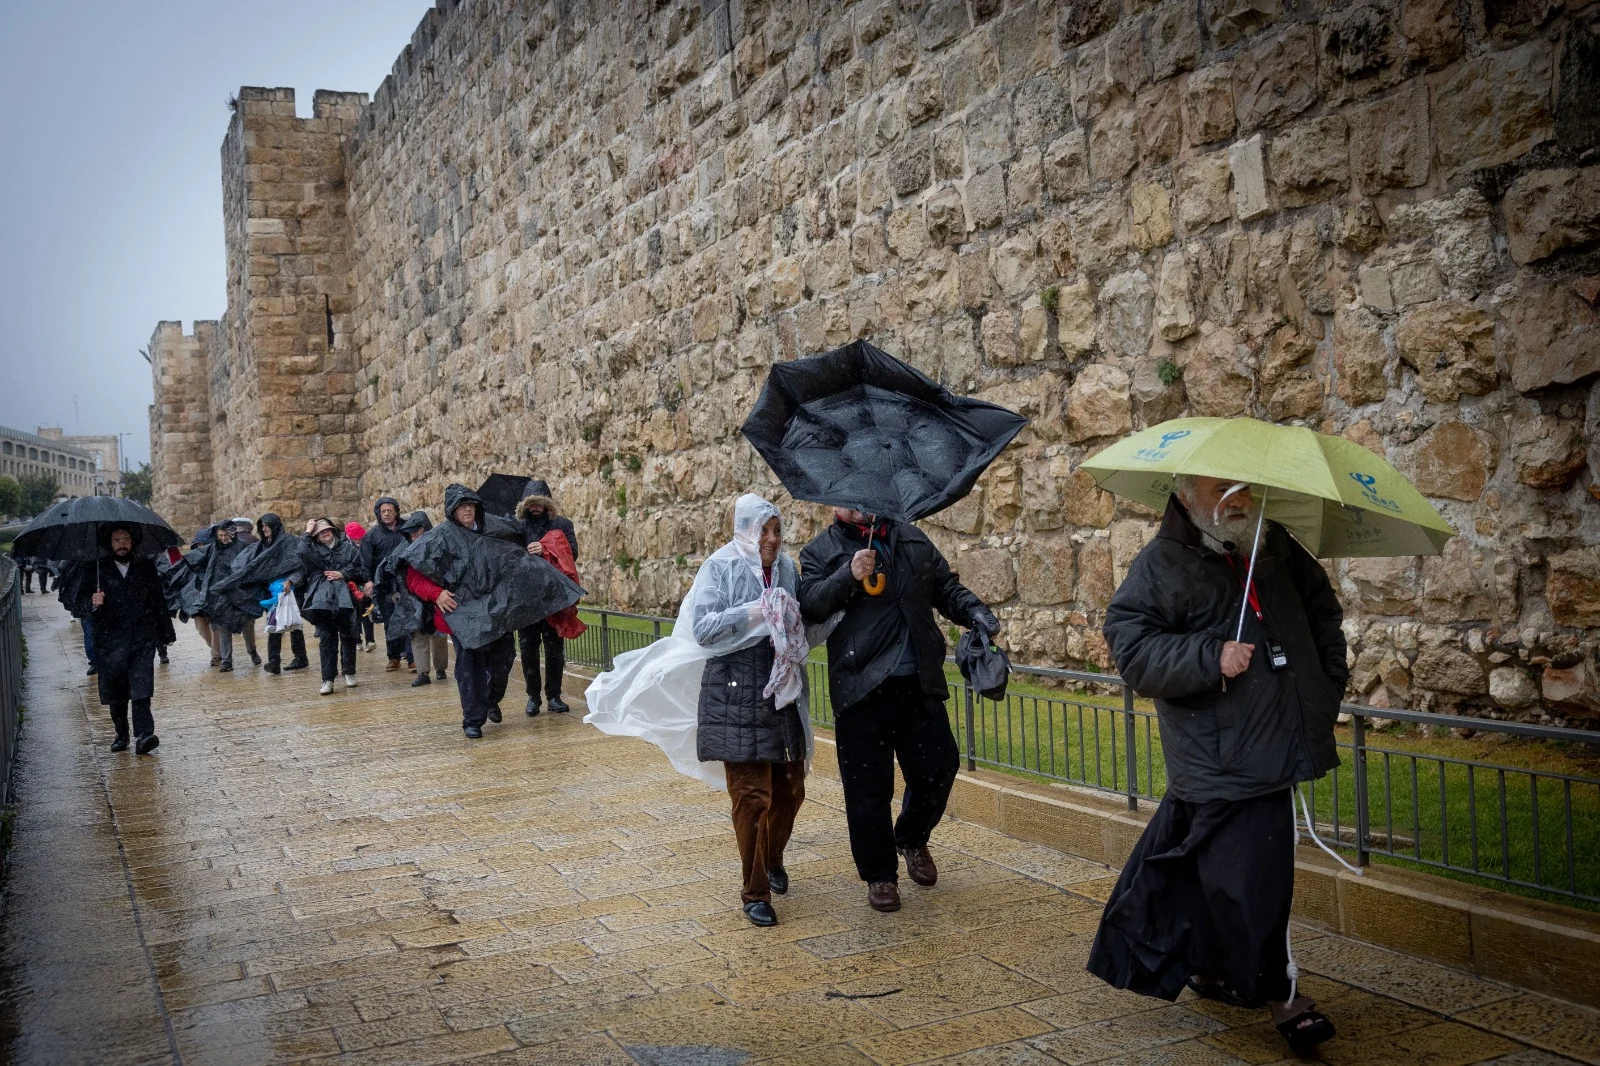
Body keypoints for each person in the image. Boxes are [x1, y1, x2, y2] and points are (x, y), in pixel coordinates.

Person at [1089, 474, 1347, 1054]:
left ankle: (1211, 968)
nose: (1239, 501)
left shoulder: (1271, 545)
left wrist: (1326, 683)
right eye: (1221, 491)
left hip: (1273, 740)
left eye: (1245, 489)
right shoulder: (1160, 564)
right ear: (1186, 496)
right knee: (1254, 879)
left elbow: (1321, 611)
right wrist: (1210, 656)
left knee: (1220, 871)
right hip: (1215, 752)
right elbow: (1132, 648)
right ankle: (1283, 995)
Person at [798, 507, 997, 914]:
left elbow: (945, 587)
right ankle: (880, 875)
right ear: (834, 504)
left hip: (918, 682)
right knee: (868, 789)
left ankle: (911, 837)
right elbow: (810, 604)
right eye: (849, 500)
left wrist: (974, 610)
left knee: (939, 766)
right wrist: (848, 574)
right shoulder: (821, 550)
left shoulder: (911, 539)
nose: (858, 505)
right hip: (861, 686)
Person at [405, 485, 518, 738]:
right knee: (469, 666)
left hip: (494, 608)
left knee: (504, 658)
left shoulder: (493, 529)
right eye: (461, 506)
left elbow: (516, 549)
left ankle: (490, 699)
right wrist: (437, 593)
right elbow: (414, 576)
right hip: (460, 612)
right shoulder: (438, 538)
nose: (467, 509)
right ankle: (473, 719)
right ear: (452, 510)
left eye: (470, 505)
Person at [89, 524, 176, 754]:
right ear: (110, 543)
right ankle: (121, 733)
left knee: (141, 686)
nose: (122, 544)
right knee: (116, 690)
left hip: (141, 636)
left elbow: (158, 600)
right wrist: (94, 603)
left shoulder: (145, 566)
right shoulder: (97, 569)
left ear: (132, 541)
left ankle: (144, 735)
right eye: (117, 540)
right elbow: (80, 603)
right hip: (110, 639)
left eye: (126, 539)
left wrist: (165, 633)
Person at [516, 481, 578, 716]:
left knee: (554, 650)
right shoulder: (517, 528)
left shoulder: (562, 525)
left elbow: (572, 553)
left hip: (553, 597)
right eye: (531, 504)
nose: (536, 509)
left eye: (540, 504)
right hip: (527, 598)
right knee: (528, 649)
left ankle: (554, 695)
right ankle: (533, 696)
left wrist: (547, 549)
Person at [300, 517, 368, 696]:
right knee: (326, 639)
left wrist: (342, 573)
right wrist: (307, 532)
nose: (325, 533)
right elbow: (301, 551)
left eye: (327, 530)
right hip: (324, 600)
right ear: (316, 536)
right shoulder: (314, 550)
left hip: (346, 598)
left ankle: (349, 672)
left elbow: (360, 569)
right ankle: (328, 678)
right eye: (320, 532)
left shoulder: (348, 548)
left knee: (349, 635)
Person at [236, 513, 309, 674]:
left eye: (267, 525)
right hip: (272, 590)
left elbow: (299, 565)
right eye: (262, 526)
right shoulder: (263, 545)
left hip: (289, 589)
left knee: (292, 623)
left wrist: (290, 581)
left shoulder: (289, 542)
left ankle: (296, 658)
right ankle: (277, 661)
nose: (264, 529)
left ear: (275, 526)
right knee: (276, 624)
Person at [391, 511, 448, 686]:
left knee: (439, 633)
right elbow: (396, 570)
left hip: (435, 596)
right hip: (413, 598)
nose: (415, 536)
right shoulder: (404, 549)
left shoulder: (438, 545)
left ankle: (440, 668)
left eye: (418, 532)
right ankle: (423, 672)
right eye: (413, 533)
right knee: (417, 633)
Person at [359, 497, 411, 671]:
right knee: (390, 620)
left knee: (409, 617)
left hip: (405, 581)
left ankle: (411, 657)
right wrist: (368, 581)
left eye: (390, 510)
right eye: (383, 511)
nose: (386, 514)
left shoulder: (407, 529)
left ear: (396, 512)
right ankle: (394, 657)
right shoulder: (372, 535)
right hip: (385, 583)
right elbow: (365, 561)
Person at [345, 521, 378, 652]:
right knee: (355, 614)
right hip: (352, 584)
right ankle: (357, 640)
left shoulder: (369, 543)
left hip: (366, 583)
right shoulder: (346, 548)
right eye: (355, 538)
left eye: (359, 537)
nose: (358, 540)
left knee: (367, 611)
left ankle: (370, 640)